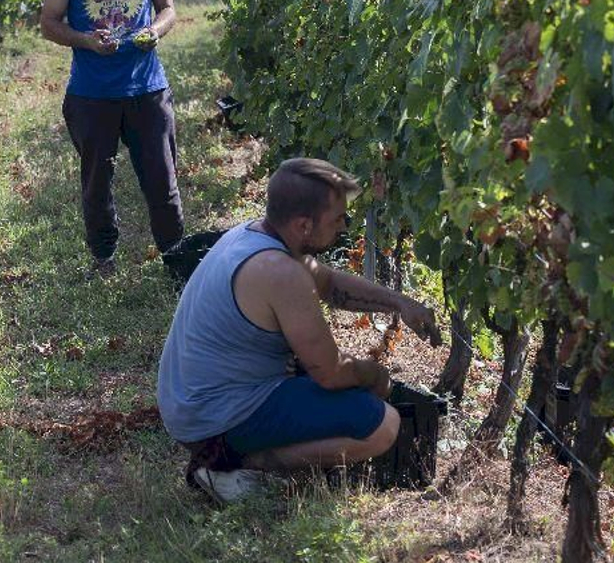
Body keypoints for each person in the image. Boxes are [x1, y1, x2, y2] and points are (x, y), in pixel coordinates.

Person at [156, 158, 443, 503]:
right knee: (382, 426)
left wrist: (399, 303)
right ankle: (235, 466)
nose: (344, 226)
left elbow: (331, 283)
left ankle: (235, 456)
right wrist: (376, 376)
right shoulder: (280, 272)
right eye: (338, 218)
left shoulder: (254, 237)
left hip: (194, 405)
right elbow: (332, 373)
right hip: (215, 420)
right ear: (304, 225)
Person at [39, 0, 182, 276]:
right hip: (92, 94)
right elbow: (49, 23)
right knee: (96, 183)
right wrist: (86, 40)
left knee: (162, 181)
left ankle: (176, 261)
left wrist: (154, 30)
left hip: (148, 89)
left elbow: (167, 8)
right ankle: (103, 258)